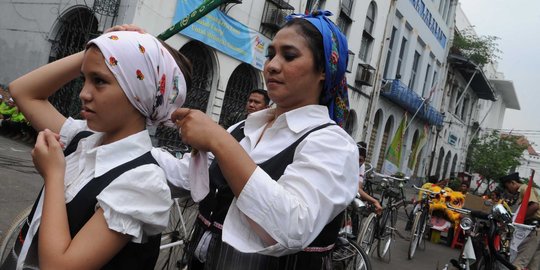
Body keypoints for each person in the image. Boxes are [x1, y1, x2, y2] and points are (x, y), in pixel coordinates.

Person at [154, 10, 358, 270]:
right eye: (270, 54)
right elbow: (188, 176)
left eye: (290, 55)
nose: (272, 65)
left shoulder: (333, 144)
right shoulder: (244, 127)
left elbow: (291, 228)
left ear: (323, 71)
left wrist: (219, 141)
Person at [2, 31, 190, 269]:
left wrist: (53, 175)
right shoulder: (83, 137)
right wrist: (100, 48)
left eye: (99, 81)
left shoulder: (143, 182)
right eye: (84, 79)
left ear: (139, 92)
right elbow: (23, 92)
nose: (83, 93)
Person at [501, 172, 540, 270]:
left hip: (534, 229)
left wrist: (519, 219)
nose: (508, 190)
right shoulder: (522, 191)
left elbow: (534, 206)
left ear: (512, 183)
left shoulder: (524, 188)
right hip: (536, 230)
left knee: (519, 262)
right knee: (533, 264)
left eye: (507, 187)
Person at [356, 142, 382, 214]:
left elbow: (358, 188)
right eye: (355, 158)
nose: (357, 163)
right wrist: (374, 201)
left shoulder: (362, 166)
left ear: (364, 160)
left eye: (360, 160)